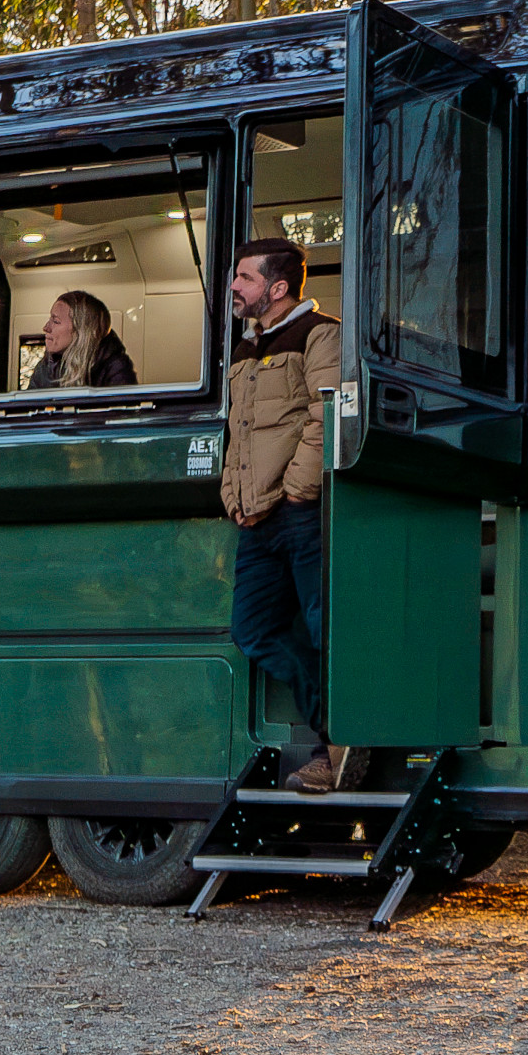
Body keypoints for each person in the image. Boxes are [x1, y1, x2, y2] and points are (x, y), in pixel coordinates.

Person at [222, 237, 344, 792]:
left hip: (300, 514)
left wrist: (298, 488)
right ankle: (337, 731)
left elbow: (328, 413)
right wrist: (234, 495)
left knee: (326, 630)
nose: (234, 287)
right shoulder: (246, 348)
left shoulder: (320, 334)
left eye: (243, 278)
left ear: (275, 287)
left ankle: (337, 743)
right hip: (256, 520)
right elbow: (238, 434)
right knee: (252, 630)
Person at [25, 290, 138, 390]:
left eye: (56, 321)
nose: (46, 328)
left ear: (80, 331)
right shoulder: (47, 367)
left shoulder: (115, 369)